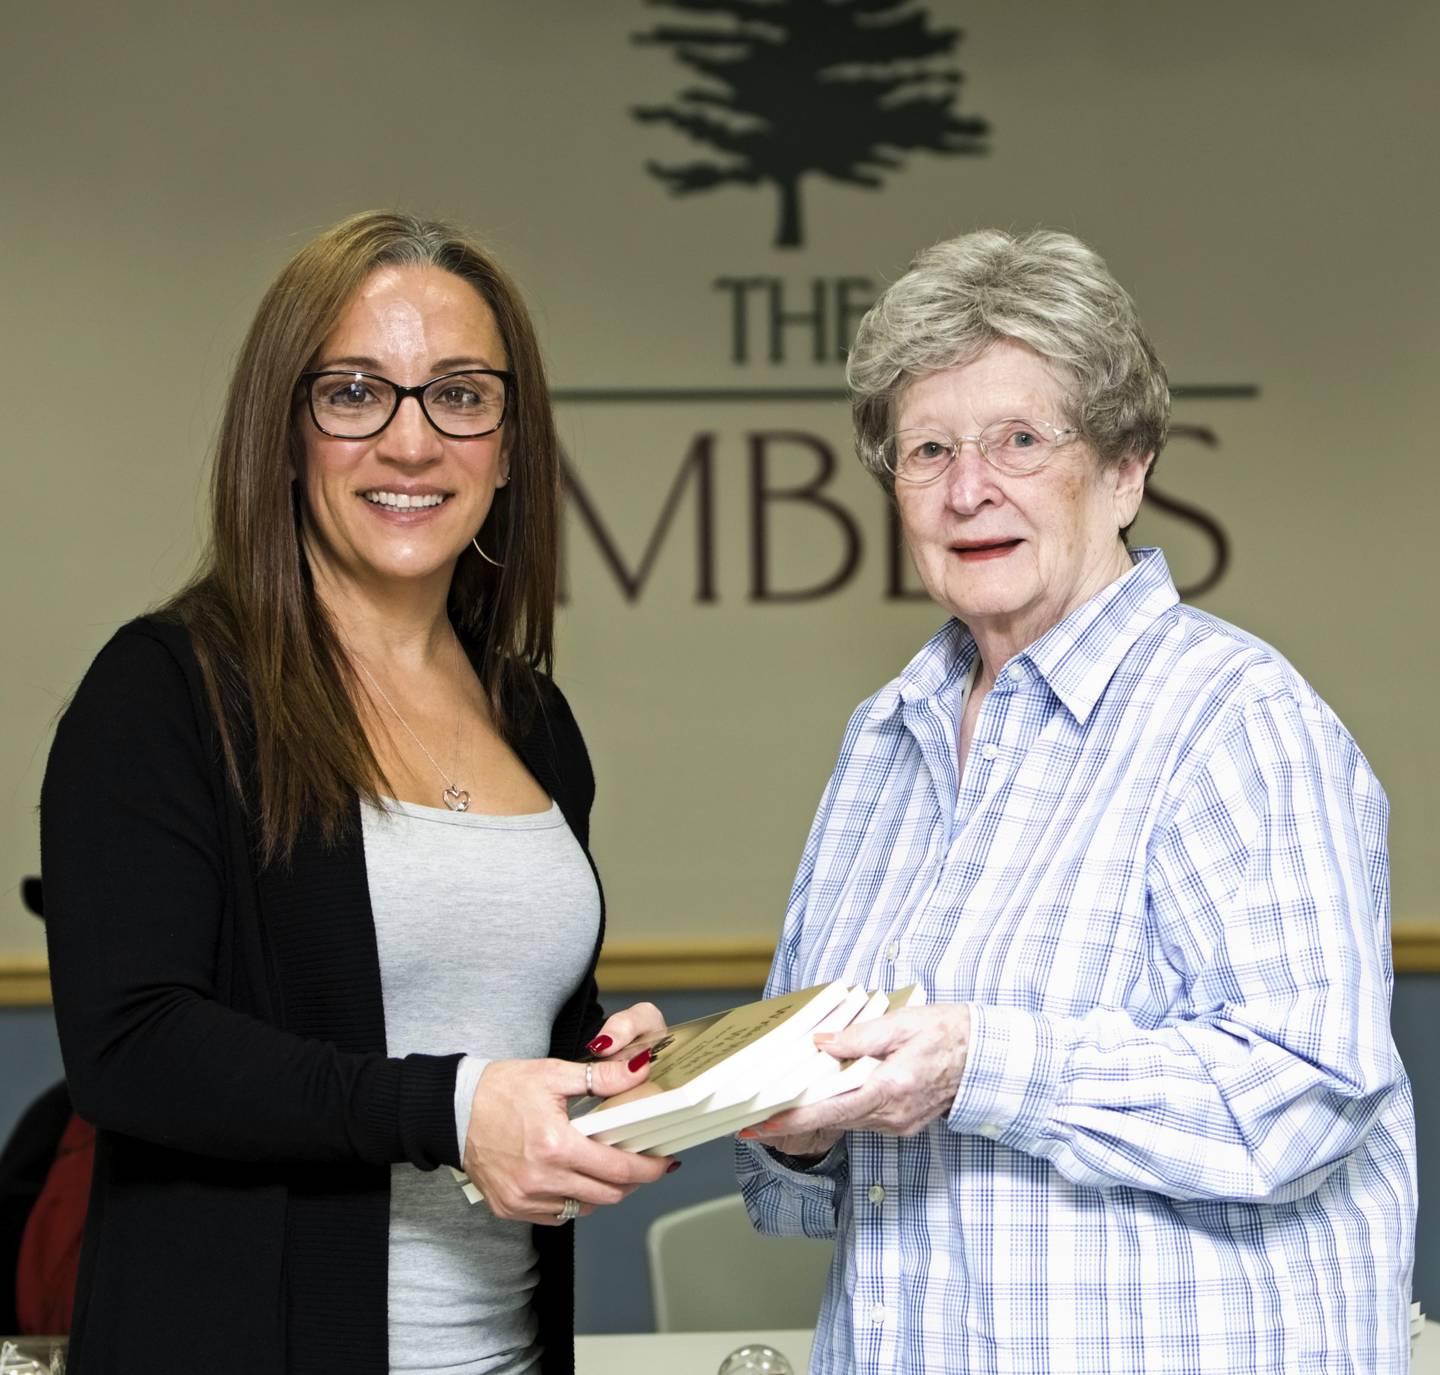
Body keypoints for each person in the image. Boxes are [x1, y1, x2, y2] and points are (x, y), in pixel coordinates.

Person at [737, 229, 1415, 1373]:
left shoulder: (1235, 718)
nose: (968, 489)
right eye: (928, 449)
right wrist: (786, 1130)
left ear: (1124, 468)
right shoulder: (882, 743)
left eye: (1018, 440)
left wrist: (978, 1064)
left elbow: (1305, 1095)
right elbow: (802, 1195)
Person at [41, 210, 674, 1375]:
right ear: (284, 431)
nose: (412, 442)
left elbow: (492, 1028)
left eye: (460, 395)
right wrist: (449, 1109)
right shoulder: (166, 691)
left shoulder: (530, 714)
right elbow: (132, 1044)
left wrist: (611, 1071)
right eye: (354, 394)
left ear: (509, 439)